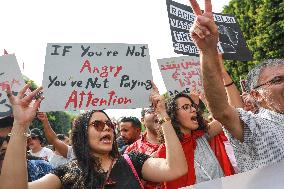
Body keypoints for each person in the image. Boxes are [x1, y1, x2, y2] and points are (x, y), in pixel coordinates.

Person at [0, 83, 187, 189]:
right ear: (82, 134)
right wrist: (21, 124)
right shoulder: (66, 173)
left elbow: (176, 169)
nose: (106, 129)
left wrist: (162, 114)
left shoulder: (133, 161)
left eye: (109, 125)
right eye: (97, 125)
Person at [189, 0, 284, 172]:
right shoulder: (256, 127)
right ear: (256, 95)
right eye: (277, 80)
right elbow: (221, 111)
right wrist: (208, 50)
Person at [156, 93, 235, 188]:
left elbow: (229, 114)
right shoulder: (166, 151)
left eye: (192, 106)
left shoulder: (202, 136)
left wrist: (206, 100)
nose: (193, 109)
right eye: (186, 107)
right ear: (173, 115)